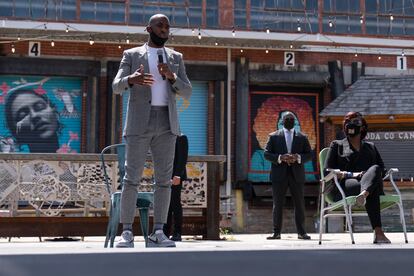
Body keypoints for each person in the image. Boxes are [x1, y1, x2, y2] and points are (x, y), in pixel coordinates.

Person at [112, 14, 192, 248]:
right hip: (139, 123)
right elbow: (117, 86)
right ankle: (126, 232)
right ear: (148, 28)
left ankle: (159, 232)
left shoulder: (176, 57)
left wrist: (172, 75)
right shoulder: (132, 55)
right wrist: (131, 78)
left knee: (164, 181)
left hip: (166, 124)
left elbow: (186, 91)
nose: (165, 29)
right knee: (131, 179)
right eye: (160, 25)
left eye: (167, 26)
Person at [324, 112, 390, 244]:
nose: (351, 124)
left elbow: (381, 170)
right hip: (345, 186)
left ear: (363, 127)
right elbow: (327, 172)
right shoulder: (337, 145)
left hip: (366, 187)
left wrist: (367, 176)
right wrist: (352, 174)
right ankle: (378, 232)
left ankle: (364, 194)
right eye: (348, 121)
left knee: (376, 168)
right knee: (373, 190)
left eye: (355, 122)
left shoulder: (370, 147)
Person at [264, 111, 312, 240]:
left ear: (295, 121)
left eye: (292, 119)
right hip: (279, 175)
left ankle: (302, 233)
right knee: (278, 204)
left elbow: (309, 154)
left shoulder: (302, 137)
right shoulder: (273, 136)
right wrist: (280, 157)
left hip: (297, 175)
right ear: (282, 121)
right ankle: (276, 232)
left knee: (299, 204)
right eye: (287, 119)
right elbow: (267, 154)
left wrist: (298, 157)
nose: (290, 121)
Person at [163, 134, 188, 241]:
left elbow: (182, 158)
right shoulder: (164, 138)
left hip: (175, 176)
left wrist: (177, 175)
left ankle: (177, 233)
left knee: (175, 203)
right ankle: (165, 232)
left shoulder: (181, 137)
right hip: (164, 175)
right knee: (165, 205)